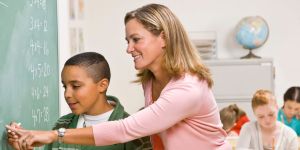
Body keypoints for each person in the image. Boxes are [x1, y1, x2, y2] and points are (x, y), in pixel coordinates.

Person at [6, 3, 231, 150]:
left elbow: (124, 129)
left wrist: (54, 135)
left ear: (163, 38)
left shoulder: (188, 89)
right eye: (127, 41)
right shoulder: (150, 80)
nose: (129, 48)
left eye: (136, 39)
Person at [7, 52, 151, 150]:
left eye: (76, 86)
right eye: (65, 86)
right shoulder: (63, 124)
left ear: (102, 85)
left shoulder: (133, 132)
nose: (67, 94)